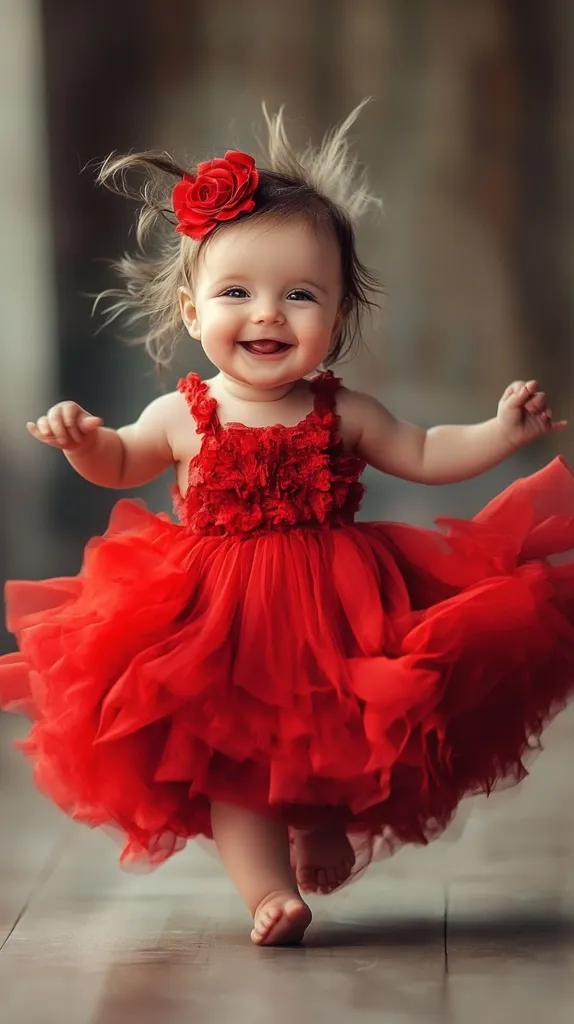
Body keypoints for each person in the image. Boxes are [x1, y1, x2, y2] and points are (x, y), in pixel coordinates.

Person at [1, 104, 574, 948]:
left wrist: (499, 433)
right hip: (215, 623)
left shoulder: (345, 413)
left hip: (336, 610)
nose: (267, 313)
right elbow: (123, 462)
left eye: (299, 295)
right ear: (194, 314)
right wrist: (88, 443)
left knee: (347, 725)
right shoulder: (181, 414)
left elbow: (423, 450)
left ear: (336, 318)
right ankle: (268, 891)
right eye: (237, 292)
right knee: (235, 758)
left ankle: (319, 822)